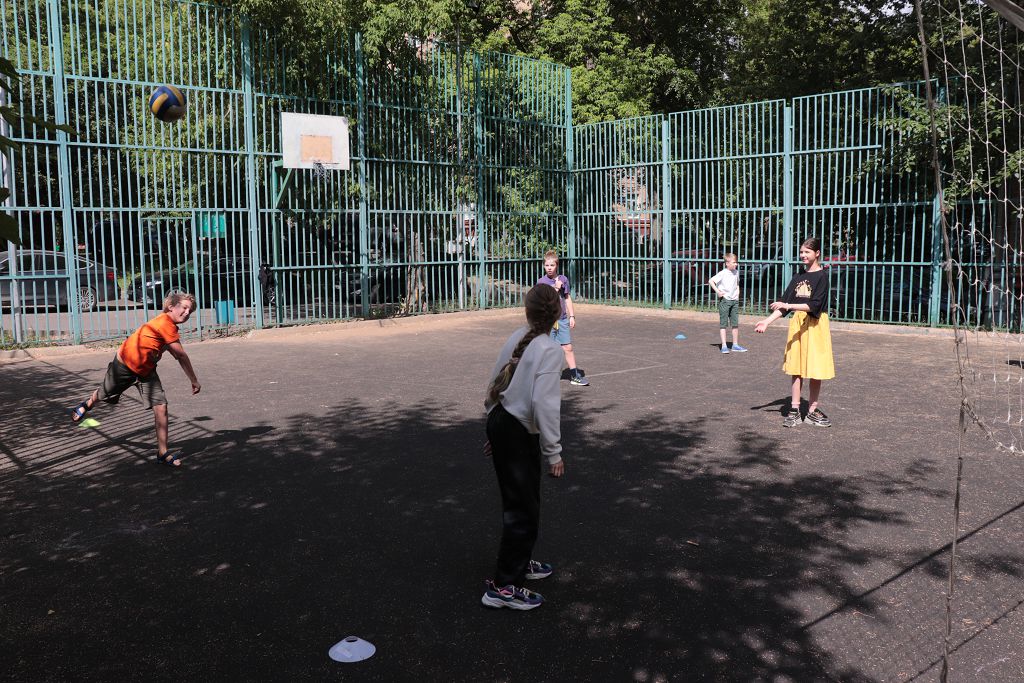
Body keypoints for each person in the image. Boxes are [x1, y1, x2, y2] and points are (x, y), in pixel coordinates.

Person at [481, 284, 565, 610]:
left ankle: (519, 561)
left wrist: (495, 428)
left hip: (502, 420)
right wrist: (554, 452)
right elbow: (544, 404)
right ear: (557, 313)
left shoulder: (519, 336)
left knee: (520, 501)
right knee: (523, 508)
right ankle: (503, 587)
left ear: (527, 312)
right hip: (515, 430)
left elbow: (495, 381)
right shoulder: (550, 349)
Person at [71, 292, 202, 465]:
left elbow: (171, 350)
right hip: (124, 365)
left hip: (146, 371)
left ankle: (162, 453)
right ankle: (86, 405)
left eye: (190, 311)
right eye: (184, 308)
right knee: (104, 392)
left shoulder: (169, 327)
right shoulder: (165, 323)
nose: (187, 313)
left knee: (161, 406)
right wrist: (194, 380)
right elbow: (181, 355)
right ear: (171, 307)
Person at [754, 237, 835, 427]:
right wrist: (766, 321)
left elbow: (814, 305)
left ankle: (812, 410)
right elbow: (784, 304)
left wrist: (789, 305)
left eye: (807, 252)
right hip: (798, 324)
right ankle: (795, 410)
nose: (803, 255)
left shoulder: (822, 277)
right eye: (801, 252)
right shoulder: (798, 276)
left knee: (815, 368)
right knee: (796, 368)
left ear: (817, 253)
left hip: (815, 325)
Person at [537, 249, 589, 386]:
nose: (549, 268)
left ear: (557, 266)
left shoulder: (563, 279)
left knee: (568, 347)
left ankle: (574, 376)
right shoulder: (541, 282)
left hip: (562, 319)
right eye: (547, 265)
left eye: (552, 265)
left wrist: (572, 316)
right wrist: (555, 288)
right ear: (543, 266)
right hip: (548, 321)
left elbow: (567, 298)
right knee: (548, 349)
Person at [708, 252, 747, 353]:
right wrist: (718, 292)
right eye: (734, 262)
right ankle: (724, 345)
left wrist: (737, 294)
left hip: (734, 301)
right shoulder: (723, 273)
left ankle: (735, 345)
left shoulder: (736, 272)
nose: (736, 264)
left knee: (735, 324)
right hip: (725, 301)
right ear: (727, 263)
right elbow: (711, 281)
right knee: (723, 324)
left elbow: (737, 284)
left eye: (736, 262)